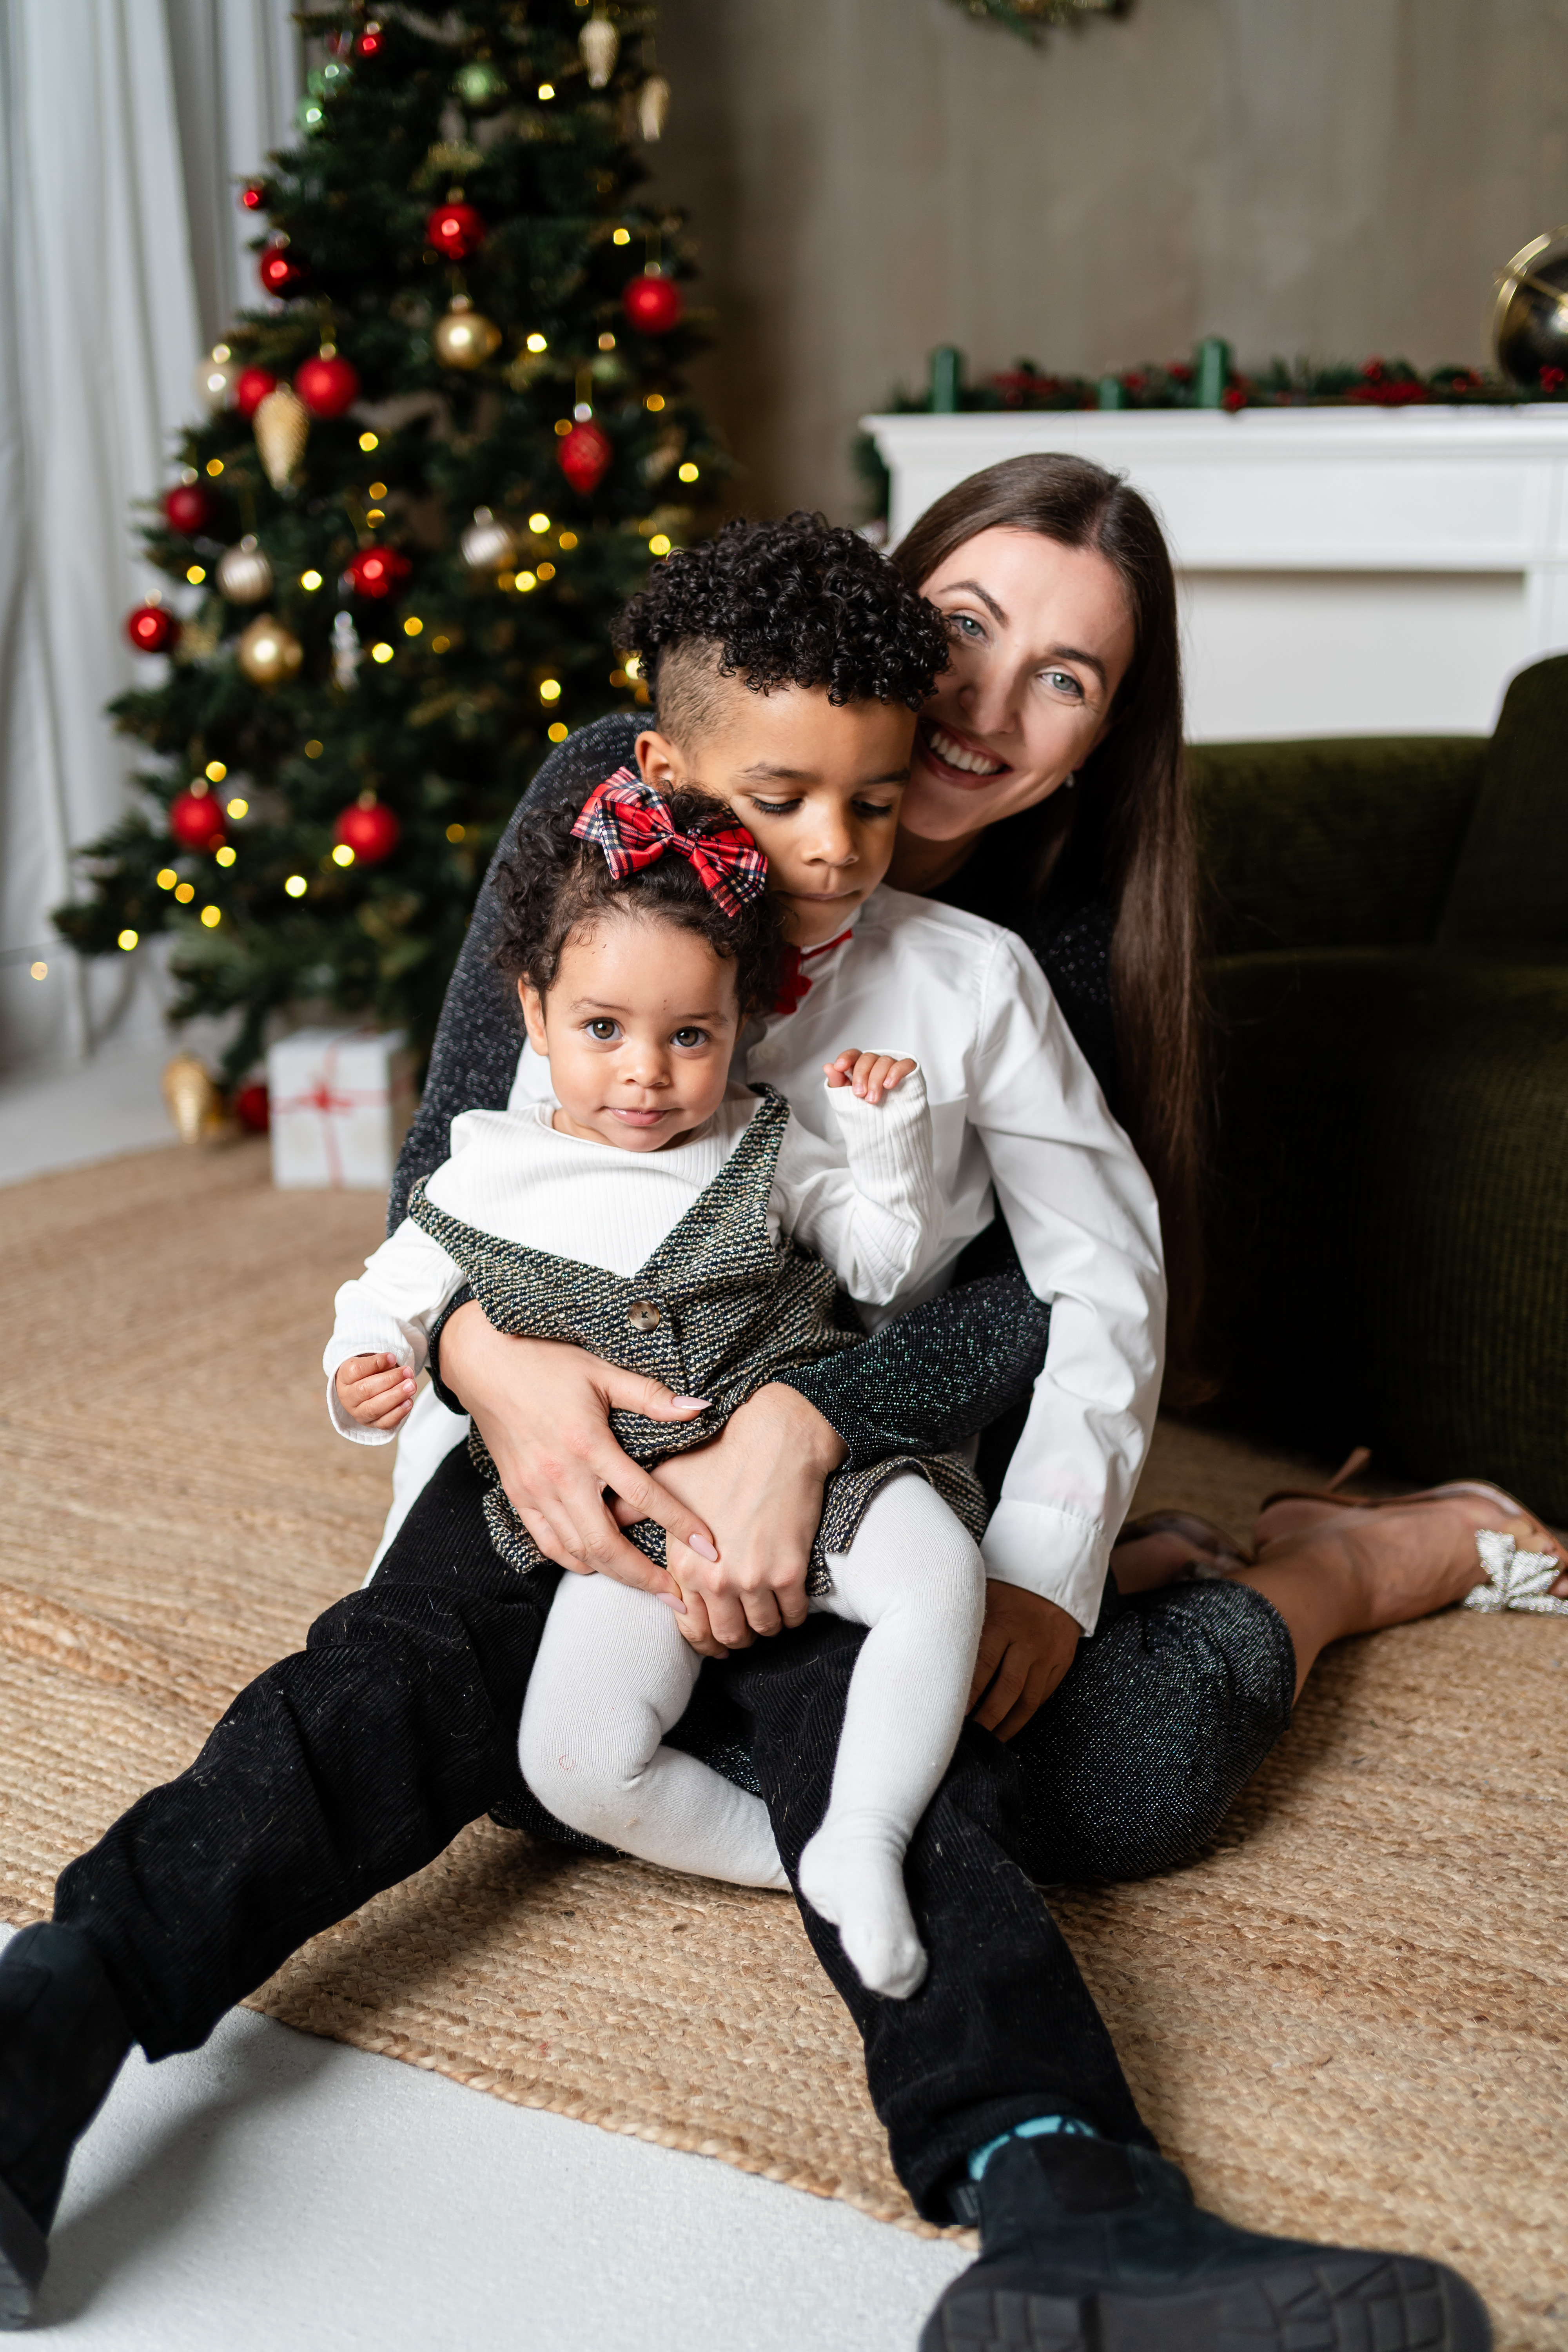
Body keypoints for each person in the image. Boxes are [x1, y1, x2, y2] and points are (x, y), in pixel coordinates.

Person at [0, 506, 1535, 2348]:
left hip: (829, 1488)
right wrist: (487, 1361)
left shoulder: (983, 975)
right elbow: (454, 1185)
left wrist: (1003, 1544)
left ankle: (1066, 2198)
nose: (980, 708)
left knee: (948, 1785)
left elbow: (1080, 1280)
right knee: (371, 1699)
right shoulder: (602, 850)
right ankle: (50, 2032)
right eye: (967, 628)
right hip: (549, 1464)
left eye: (1068, 676)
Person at [328, 768, 995, 1998]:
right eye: (603, 1031)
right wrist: (368, 1363)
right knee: (570, 1761)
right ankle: (799, 1862)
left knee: (943, 1576)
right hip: (637, 1525)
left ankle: (869, 1828)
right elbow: (388, 1292)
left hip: (805, 1467)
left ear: (738, 1023)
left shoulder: (761, 1137)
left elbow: (882, 1265)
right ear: (533, 1014)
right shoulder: (489, 1173)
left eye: (689, 1036)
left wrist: (886, 1142)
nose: (646, 1074)